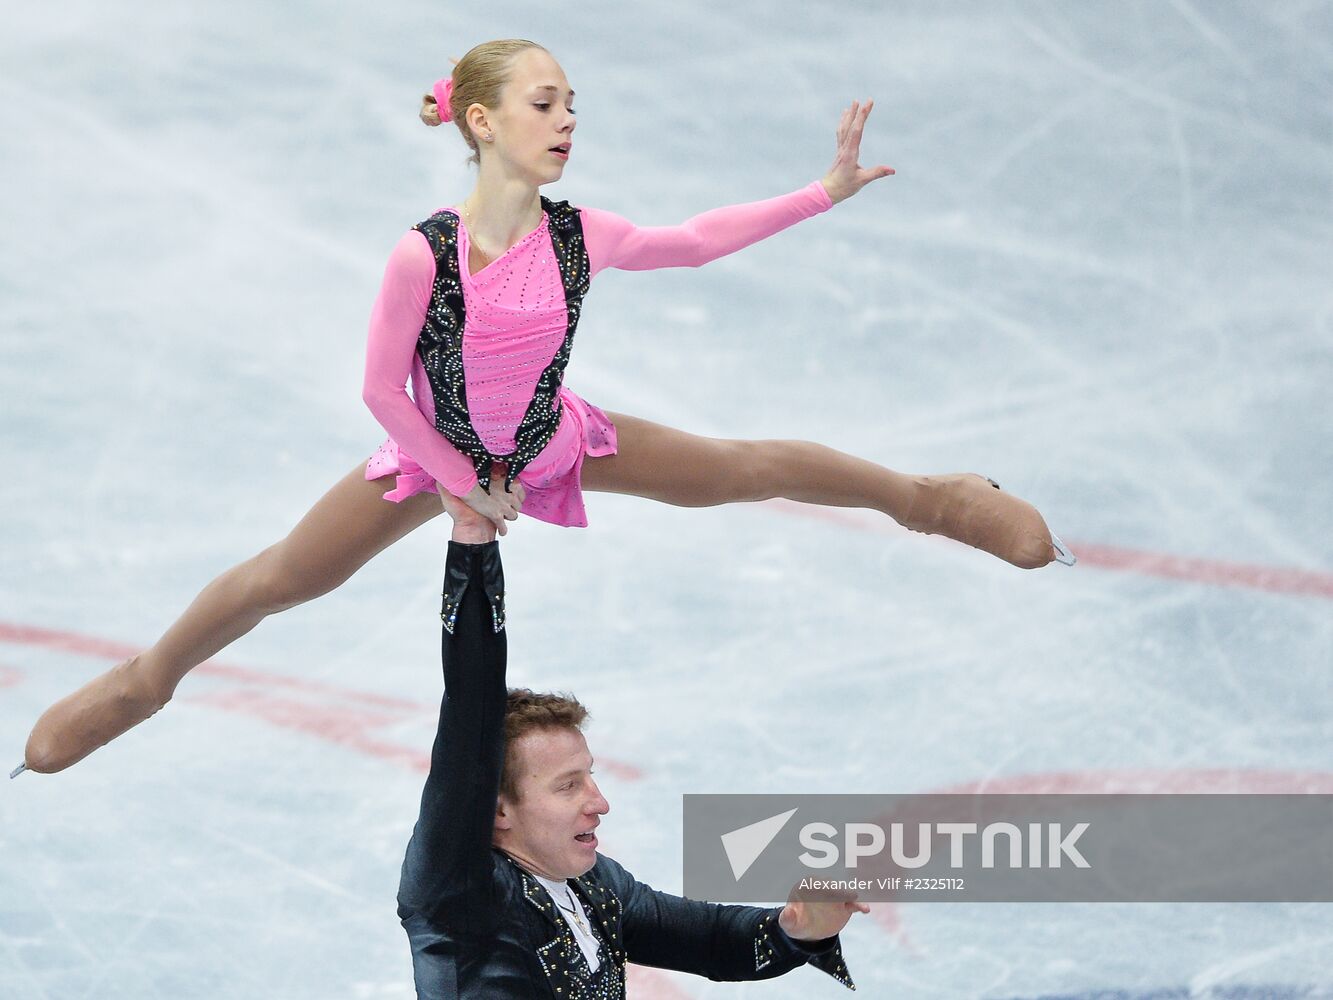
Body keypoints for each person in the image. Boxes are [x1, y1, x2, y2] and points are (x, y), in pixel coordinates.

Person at [17, 38, 1072, 779]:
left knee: (739, 469)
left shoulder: (584, 234)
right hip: (432, 453)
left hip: (548, 437)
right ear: (480, 120)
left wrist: (821, 192)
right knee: (282, 578)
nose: (566, 120)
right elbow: (381, 391)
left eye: (572, 104)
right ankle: (145, 681)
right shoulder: (421, 255)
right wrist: (456, 475)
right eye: (543, 103)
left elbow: (695, 239)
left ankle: (928, 500)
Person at [399, 497, 861, 997]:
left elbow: (709, 939)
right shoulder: (461, 890)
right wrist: (472, 541)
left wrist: (796, 926)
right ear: (497, 808)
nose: (599, 803)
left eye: (589, 777)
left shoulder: (593, 886)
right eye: (567, 786)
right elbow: (472, 704)